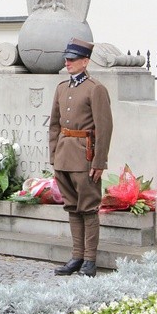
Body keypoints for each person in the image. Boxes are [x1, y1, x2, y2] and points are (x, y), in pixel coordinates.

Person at [49, 38, 113, 277]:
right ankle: (76, 256)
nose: (68, 62)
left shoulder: (95, 89)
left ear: (85, 62)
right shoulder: (62, 88)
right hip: (64, 156)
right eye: (66, 59)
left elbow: (104, 128)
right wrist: (54, 155)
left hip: (84, 156)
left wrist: (99, 162)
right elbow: (54, 124)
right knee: (72, 208)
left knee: (88, 208)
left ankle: (89, 260)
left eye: (73, 59)